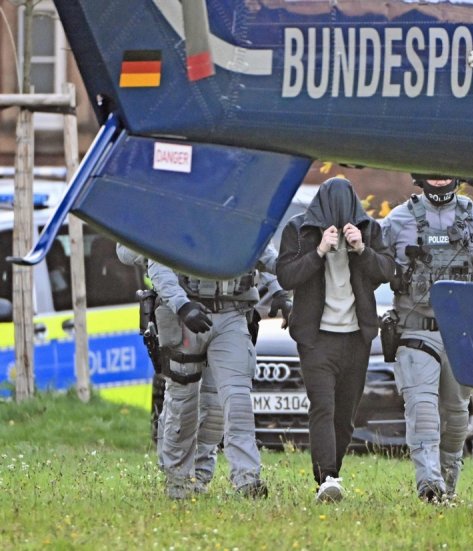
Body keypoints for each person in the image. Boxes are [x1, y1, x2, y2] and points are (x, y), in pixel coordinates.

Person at [380, 175, 473, 501]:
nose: (439, 178)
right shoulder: (398, 220)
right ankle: (429, 485)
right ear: (419, 176)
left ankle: (447, 485)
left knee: (457, 417)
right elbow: (367, 265)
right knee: (423, 409)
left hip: (460, 334)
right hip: (415, 331)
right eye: (432, 171)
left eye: (445, 171)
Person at [119, 243, 290, 499]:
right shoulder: (178, 211)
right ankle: (179, 480)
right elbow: (158, 261)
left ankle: (246, 479)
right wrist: (182, 305)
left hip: (232, 313)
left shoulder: (240, 210)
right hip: (184, 313)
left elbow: (260, 249)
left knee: (235, 397)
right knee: (183, 402)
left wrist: (279, 291)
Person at [276, 177, 394, 502]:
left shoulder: (368, 230)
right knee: (322, 407)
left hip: (357, 338)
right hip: (316, 339)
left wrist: (362, 249)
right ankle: (326, 476)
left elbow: (388, 271)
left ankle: (332, 476)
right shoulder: (299, 230)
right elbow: (286, 275)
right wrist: (318, 251)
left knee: (345, 417)